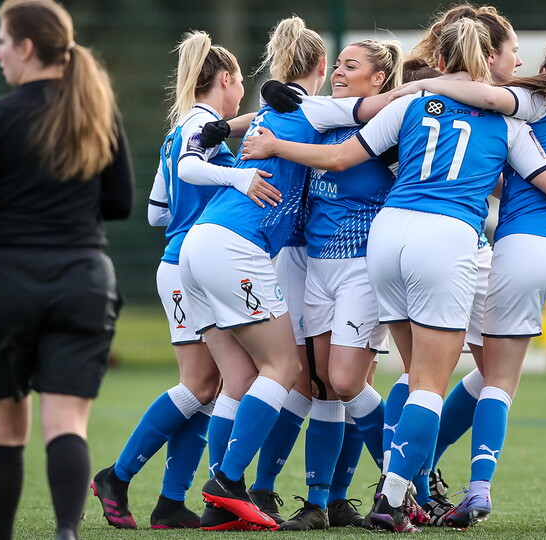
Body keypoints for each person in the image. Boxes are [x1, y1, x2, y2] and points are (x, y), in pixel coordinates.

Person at [241, 18, 546, 533]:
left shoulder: (407, 103)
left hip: (388, 235)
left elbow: (343, 156)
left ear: (439, 62)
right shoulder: (510, 123)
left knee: (413, 376)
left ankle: (395, 485)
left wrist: (275, 145)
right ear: (486, 64)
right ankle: (397, 497)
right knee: (433, 386)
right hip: (449, 238)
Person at [397, 41, 546, 531]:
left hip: (523, 245)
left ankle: (478, 489)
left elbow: (486, 98)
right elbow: (534, 177)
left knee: (499, 381)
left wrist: (420, 84)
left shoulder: (530, 104)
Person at [0, 2, 133, 539]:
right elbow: (119, 202)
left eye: (3, 41)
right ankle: (66, 533)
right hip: (83, 281)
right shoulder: (96, 113)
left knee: (5, 427)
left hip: (5, 282)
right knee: (66, 423)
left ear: (27, 47)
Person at [178, 15, 363, 531]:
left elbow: (252, 118)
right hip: (245, 250)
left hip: (203, 247)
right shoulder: (315, 109)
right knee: (288, 371)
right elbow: (374, 107)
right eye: (339, 64)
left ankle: (223, 503)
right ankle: (232, 481)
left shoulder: (272, 113)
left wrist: (228, 127)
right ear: (323, 66)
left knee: (239, 381)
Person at [90, 30, 279, 532]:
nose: (243, 93)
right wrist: (237, 179)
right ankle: (117, 476)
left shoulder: (180, 128)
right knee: (200, 384)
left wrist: (194, 209)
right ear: (224, 80)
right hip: (187, 267)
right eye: (240, 82)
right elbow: (193, 170)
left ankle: (171, 502)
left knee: (212, 387)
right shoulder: (203, 126)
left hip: (182, 261)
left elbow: (156, 211)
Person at [275, 39, 403, 531]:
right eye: (338, 65)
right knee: (326, 388)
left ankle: (405, 480)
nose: (339, 73)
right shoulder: (324, 118)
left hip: (361, 267)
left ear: (379, 82)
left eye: (353, 66)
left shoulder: (386, 130)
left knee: (350, 381)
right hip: (318, 269)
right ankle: (317, 502)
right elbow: (274, 114)